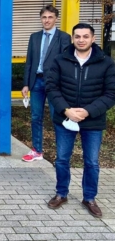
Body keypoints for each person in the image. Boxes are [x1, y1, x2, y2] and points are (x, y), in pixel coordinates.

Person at [45, 23, 115, 218]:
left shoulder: (106, 63)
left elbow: (111, 93)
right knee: (62, 159)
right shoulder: (60, 60)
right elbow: (51, 88)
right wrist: (67, 110)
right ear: (72, 38)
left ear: (93, 39)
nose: (81, 40)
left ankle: (90, 198)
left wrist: (86, 111)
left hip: (93, 120)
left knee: (91, 162)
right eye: (77, 36)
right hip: (65, 119)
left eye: (85, 36)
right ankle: (61, 194)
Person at [22, 5, 71, 162]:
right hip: (36, 82)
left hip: (55, 84)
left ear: (56, 18)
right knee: (36, 117)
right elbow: (29, 62)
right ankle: (37, 151)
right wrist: (26, 84)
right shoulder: (34, 37)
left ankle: (61, 154)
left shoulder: (63, 37)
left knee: (57, 117)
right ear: (40, 19)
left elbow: (66, 62)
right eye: (44, 17)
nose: (47, 20)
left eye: (50, 17)